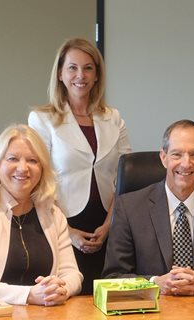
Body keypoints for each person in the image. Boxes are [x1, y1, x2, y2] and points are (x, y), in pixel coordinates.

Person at [28, 38, 131, 294]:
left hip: (109, 222)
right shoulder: (42, 119)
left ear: (97, 75)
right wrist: (69, 231)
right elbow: (38, 181)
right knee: (68, 298)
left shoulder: (113, 117)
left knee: (108, 299)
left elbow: (125, 177)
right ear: (60, 74)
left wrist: (110, 225)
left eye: (88, 68)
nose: (80, 75)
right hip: (61, 220)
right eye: (72, 68)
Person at [103, 120, 194, 294]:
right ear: (163, 157)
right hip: (149, 316)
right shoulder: (129, 208)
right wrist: (154, 283)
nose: (186, 163)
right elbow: (112, 278)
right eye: (177, 154)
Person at [0, 124, 82, 305]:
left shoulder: (53, 213)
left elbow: (72, 274)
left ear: (42, 169)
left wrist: (61, 288)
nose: (23, 168)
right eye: (12, 159)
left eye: (32, 160)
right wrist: (29, 295)